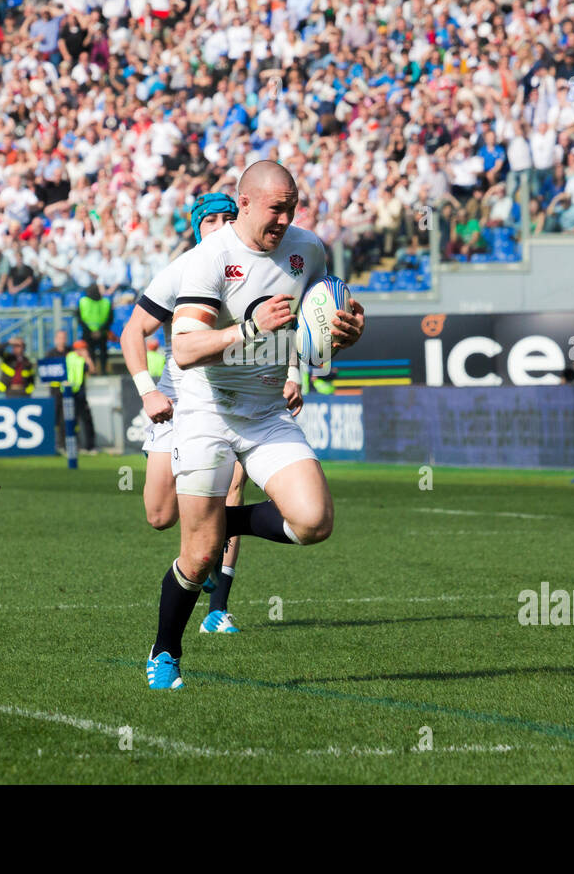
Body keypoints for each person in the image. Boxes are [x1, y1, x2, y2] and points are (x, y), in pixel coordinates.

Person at [144, 162, 365, 690]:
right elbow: (185, 347)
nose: (285, 219)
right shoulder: (208, 259)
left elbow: (324, 317)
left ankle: (227, 521)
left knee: (314, 522)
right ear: (243, 203)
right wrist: (247, 328)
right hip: (207, 412)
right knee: (197, 558)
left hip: (266, 413)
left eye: (292, 208)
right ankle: (165, 651)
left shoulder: (307, 248)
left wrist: (350, 328)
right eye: (275, 208)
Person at [121, 192, 249, 637]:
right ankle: (207, 538)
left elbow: (290, 325)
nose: (219, 225)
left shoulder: (257, 266)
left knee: (233, 483)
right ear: (197, 228)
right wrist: (146, 391)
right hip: (177, 394)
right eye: (209, 219)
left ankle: (218, 606)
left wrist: (293, 375)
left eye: (228, 217)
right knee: (159, 515)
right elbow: (133, 330)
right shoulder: (183, 270)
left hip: (235, 393)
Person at [43, 329, 96, 452]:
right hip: (61, 392)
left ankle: (83, 445)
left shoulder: (73, 355)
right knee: (61, 419)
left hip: (78, 392)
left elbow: (91, 370)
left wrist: (87, 357)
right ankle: (61, 444)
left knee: (80, 418)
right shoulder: (59, 355)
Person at [78, 283, 113, 374]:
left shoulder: (83, 301)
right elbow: (110, 319)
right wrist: (100, 331)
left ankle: (94, 371)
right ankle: (101, 371)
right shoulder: (106, 302)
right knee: (101, 353)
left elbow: (79, 318)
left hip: (89, 333)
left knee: (94, 352)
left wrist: (91, 331)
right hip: (100, 333)